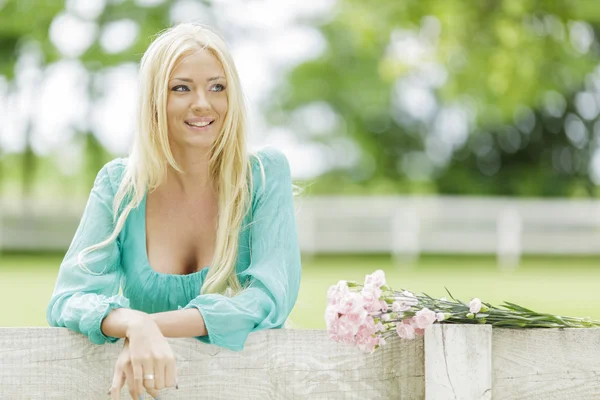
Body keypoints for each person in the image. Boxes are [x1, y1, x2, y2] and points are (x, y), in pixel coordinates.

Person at [46, 22, 302, 400]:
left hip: (249, 386)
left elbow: (268, 299)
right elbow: (69, 299)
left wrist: (149, 326)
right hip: (153, 392)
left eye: (217, 87)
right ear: (154, 100)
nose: (203, 102)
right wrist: (132, 323)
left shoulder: (264, 175)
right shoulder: (120, 185)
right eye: (181, 88)